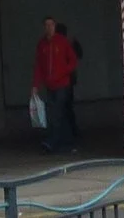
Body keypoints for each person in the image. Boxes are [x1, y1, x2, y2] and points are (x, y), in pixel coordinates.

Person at [31, 17, 79, 153]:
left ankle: (52, 141)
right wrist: (35, 85)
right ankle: (67, 142)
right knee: (56, 113)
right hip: (50, 85)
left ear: (55, 26)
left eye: (51, 25)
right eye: (46, 25)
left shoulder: (62, 42)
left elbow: (73, 60)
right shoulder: (42, 44)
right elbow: (39, 66)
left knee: (57, 112)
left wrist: (63, 72)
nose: (49, 27)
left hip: (62, 84)